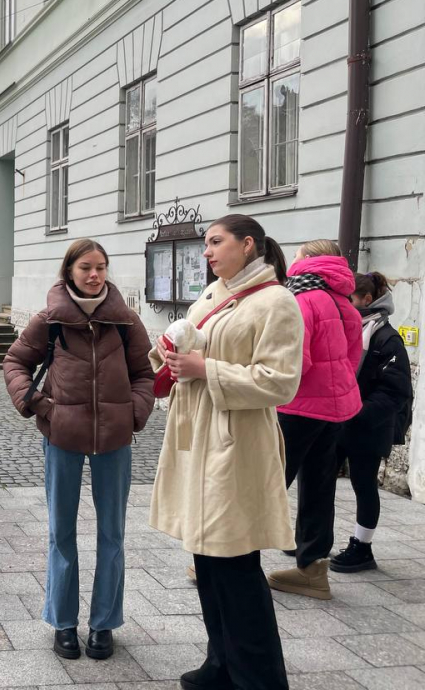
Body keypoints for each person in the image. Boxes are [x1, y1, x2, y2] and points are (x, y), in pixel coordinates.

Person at [150, 214, 302, 690]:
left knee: (235, 564)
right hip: (197, 440)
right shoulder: (213, 294)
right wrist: (170, 352)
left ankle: (260, 678)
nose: (208, 251)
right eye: (207, 243)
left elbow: (280, 382)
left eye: (217, 242)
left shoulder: (278, 302)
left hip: (236, 445)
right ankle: (222, 663)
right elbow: (189, 348)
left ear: (248, 244)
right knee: (208, 561)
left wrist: (205, 367)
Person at [3, 239, 155, 661]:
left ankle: (104, 623)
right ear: (69, 270)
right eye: (86, 267)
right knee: (61, 534)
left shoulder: (126, 322)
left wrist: (134, 413)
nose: (94, 275)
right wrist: (37, 405)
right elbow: (14, 363)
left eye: (101, 267)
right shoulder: (50, 320)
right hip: (62, 437)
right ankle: (64, 622)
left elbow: (145, 373)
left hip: (115, 441)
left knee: (113, 535)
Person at [267, 240, 362, 600]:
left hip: (298, 407)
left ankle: (227, 558)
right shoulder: (345, 304)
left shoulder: (301, 300)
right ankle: (312, 569)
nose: (291, 260)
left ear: (308, 260)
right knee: (320, 486)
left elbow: (294, 363)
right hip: (336, 408)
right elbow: (353, 360)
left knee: (265, 481)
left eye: (297, 254)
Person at [331, 272, 412, 572]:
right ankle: (316, 539)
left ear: (366, 300)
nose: (345, 303)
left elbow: (396, 390)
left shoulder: (386, 338)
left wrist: (358, 411)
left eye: (350, 298)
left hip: (368, 424)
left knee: (363, 485)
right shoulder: (347, 328)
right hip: (339, 421)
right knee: (322, 479)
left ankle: (362, 548)